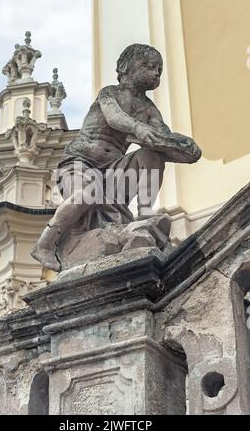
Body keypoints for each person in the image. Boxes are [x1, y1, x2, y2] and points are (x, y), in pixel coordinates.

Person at [31, 44, 201, 272]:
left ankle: (145, 217)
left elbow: (164, 138)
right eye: (149, 66)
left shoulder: (148, 108)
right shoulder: (110, 93)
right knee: (85, 195)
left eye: (159, 69)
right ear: (126, 67)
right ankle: (45, 243)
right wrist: (139, 129)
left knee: (152, 155)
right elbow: (115, 118)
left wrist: (186, 147)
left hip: (113, 172)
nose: (156, 73)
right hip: (80, 164)